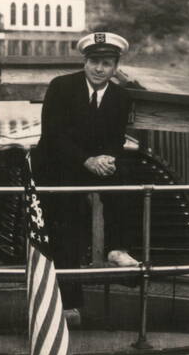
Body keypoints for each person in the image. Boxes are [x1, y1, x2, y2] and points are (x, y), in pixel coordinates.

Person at [32, 31, 138, 324]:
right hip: (59, 164)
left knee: (126, 181)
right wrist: (87, 160)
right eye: (94, 61)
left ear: (115, 67)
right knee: (68, 219)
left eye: (106, 63)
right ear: (85, 61)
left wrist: (105, 160)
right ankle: (70, 304)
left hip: (95, 163)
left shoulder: (120, 97)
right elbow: (52, 136)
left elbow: (116, 139)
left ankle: (118, 248)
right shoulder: (61, 87)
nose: (98, 69)